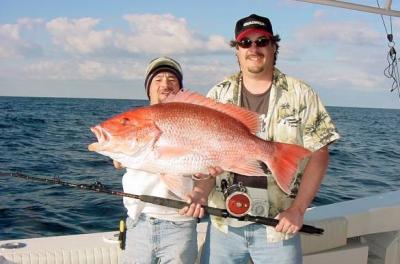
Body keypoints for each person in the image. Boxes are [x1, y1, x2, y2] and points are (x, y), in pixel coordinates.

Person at [181, 14, 340, 263]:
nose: (253, 49)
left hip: (278, 227)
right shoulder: (217, 94)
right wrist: (200, 192)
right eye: (245, 43)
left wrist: (297, 210)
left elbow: (319, 153)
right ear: (237, 50)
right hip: (224, 226)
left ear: (273, 46)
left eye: (262, 41)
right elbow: (209, 157)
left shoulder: (301, 94)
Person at [117, 56, 199, 264]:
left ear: (180, 88)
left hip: (179, 223)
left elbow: (205, 170)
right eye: (158, 79)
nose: (165, 84)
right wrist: (116, 154)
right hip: (138, 222)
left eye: (172, 80)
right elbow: (117, 153)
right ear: (148, 88)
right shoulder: (133, 121)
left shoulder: (194, 120)